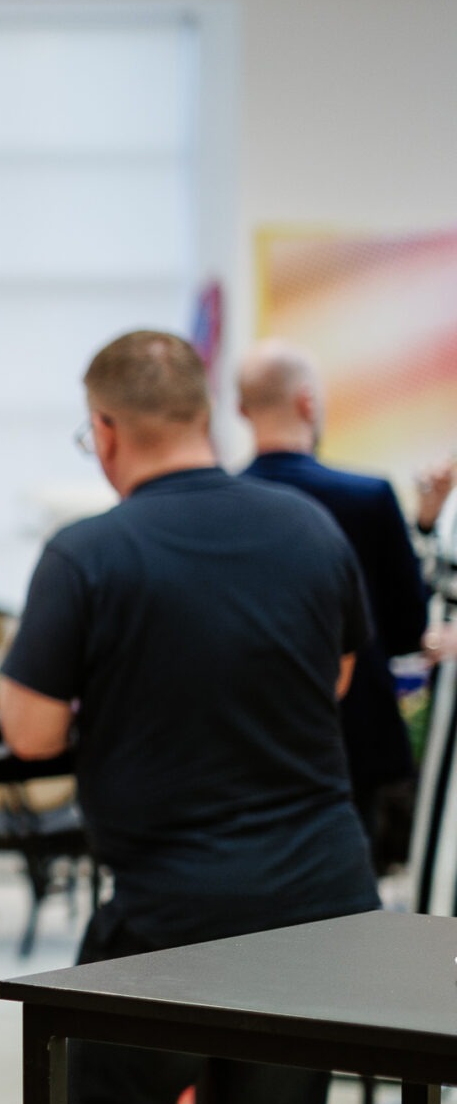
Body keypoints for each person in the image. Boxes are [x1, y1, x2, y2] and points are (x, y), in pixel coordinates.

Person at [0, 330, 379, 1104]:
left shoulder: (89, 554)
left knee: (103, 1098)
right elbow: (336, 678)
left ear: (107, 431)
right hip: (322, 893)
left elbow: (31, 730)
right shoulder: (308, 530)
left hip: (176, 906)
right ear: (207, 414)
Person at [237, 341, 434, 868]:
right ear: (308, 402)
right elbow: (406, 628)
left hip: (248, 737)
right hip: (351, 738)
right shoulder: (368, 497)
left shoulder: (220, 504)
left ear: (241, 409)